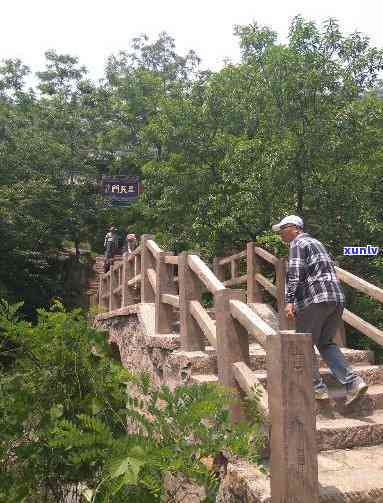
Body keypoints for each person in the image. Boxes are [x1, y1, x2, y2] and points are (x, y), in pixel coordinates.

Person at [272, 215, 368, 405]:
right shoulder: (317, 242)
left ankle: (316, 389)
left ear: (294, 228)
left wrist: (289, 301)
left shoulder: (298, 244)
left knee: (303, 343)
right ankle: (354, 383)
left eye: (282, 230)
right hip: (336, 299)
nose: (281, 234)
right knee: (325, 343)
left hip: (315, 299)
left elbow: (295, 273)